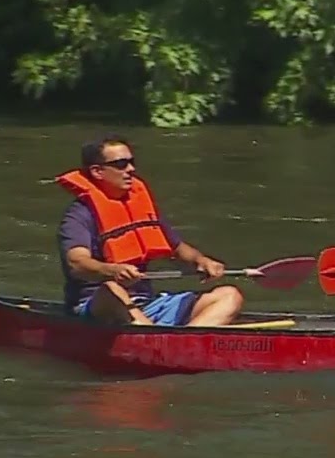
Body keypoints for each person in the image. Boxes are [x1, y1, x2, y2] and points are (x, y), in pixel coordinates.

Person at [55, 134, 244, 327]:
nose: (131, 169)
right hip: (97, 306)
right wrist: (111, 270)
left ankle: (181, 342)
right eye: (121, 164)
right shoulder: (79, 216)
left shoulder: (140, 207)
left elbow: (177, 248)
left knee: (229, 295)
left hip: (148, 304)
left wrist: (201, 261)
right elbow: (77, 263)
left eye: (131, 162)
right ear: (97, 172)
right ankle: (158, 339)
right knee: (112, 289)